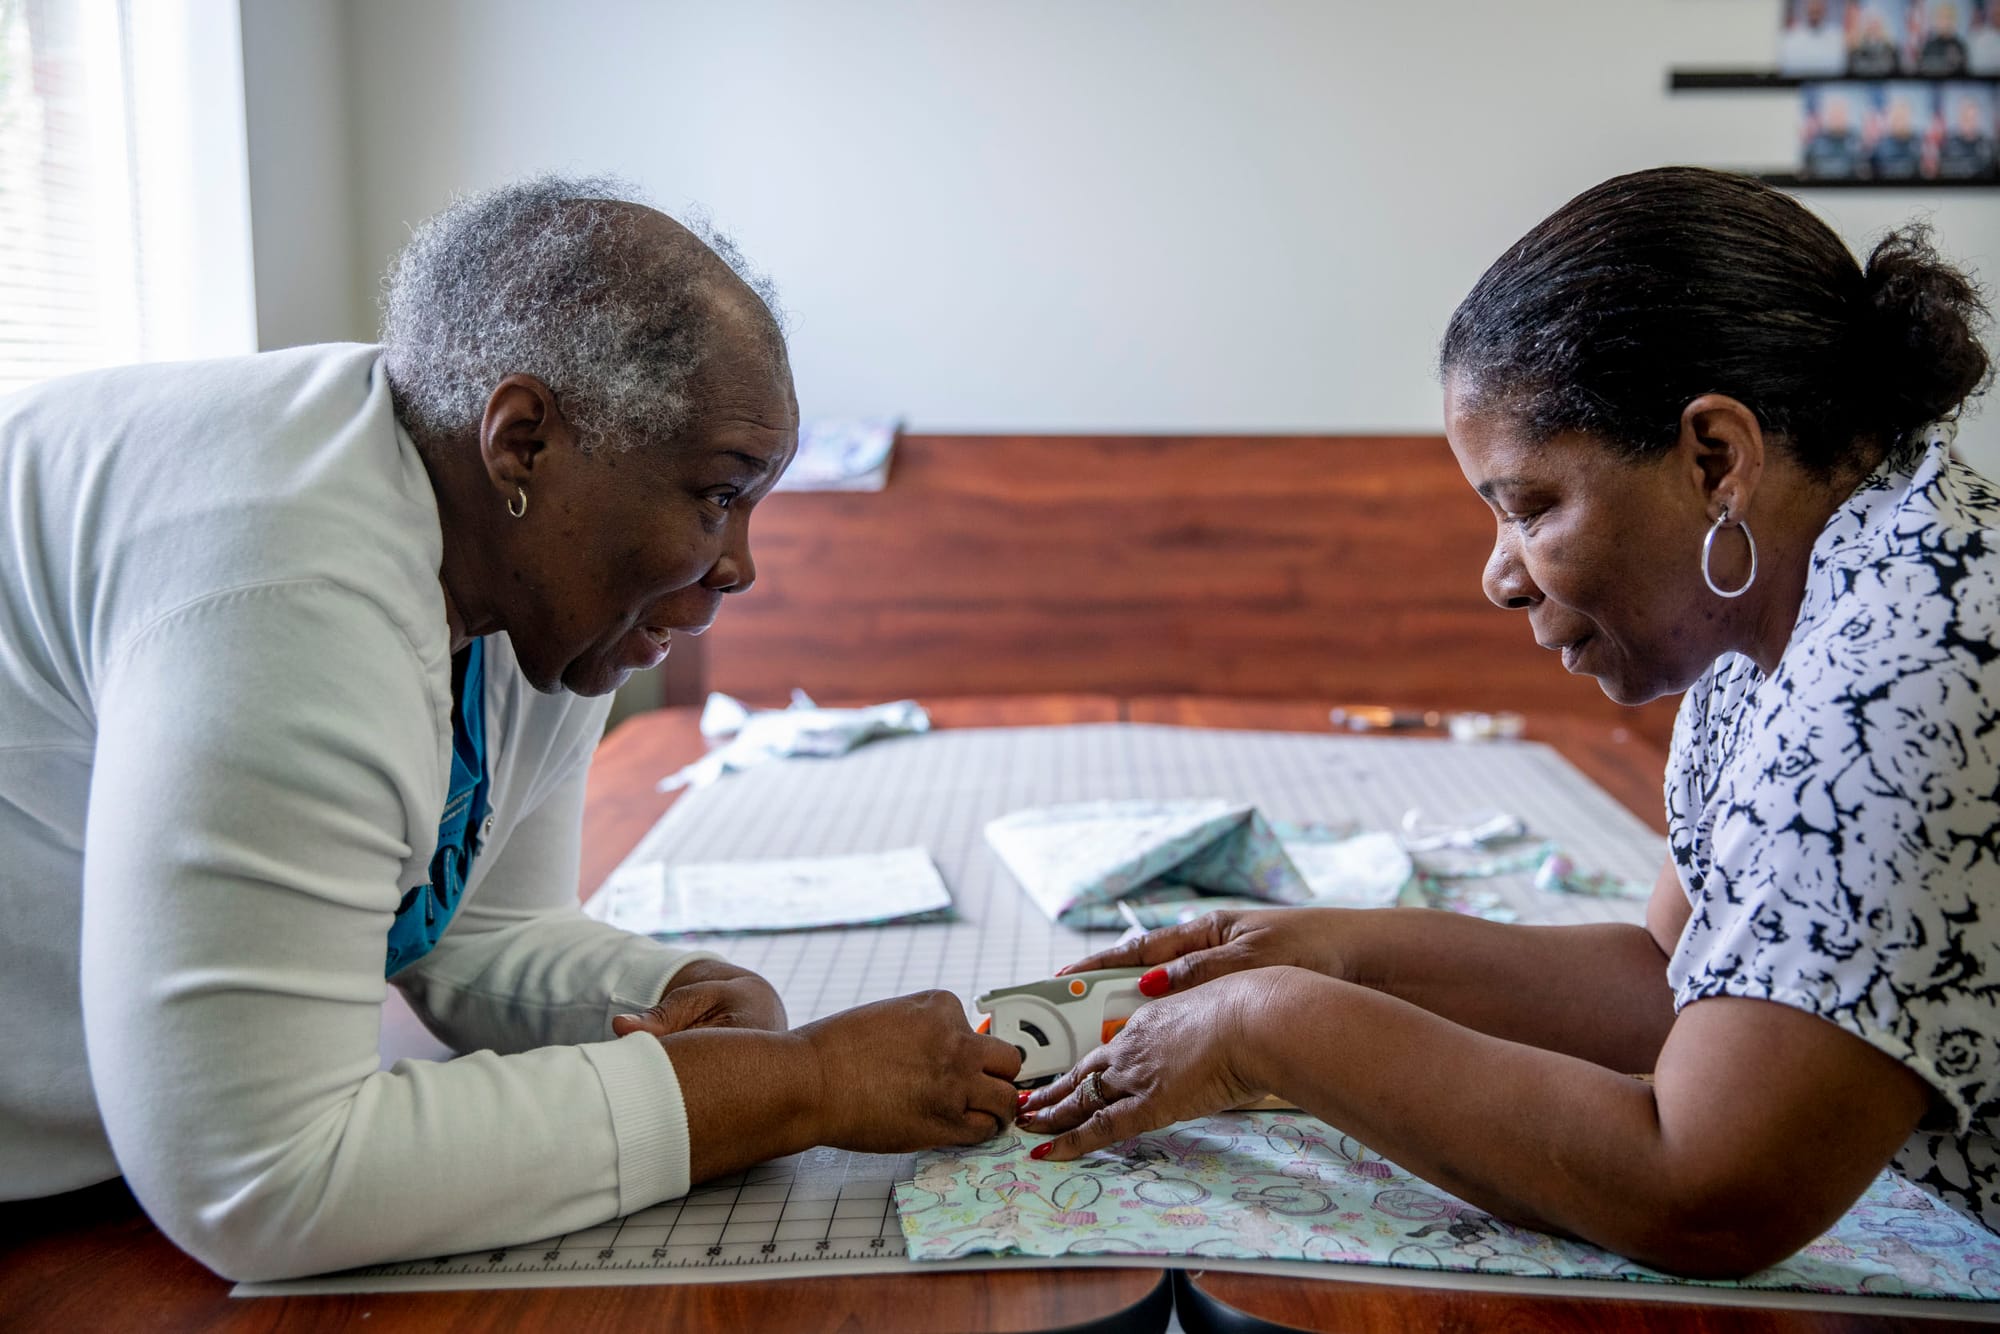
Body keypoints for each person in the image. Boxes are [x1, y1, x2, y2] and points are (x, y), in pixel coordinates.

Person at [0, 176, 1020, 1282]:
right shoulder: (285, 592)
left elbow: (474, 933)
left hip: (111, 1172)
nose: (740, 566)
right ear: (524, 440)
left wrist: (663, 995)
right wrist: (795, 1082)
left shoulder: (517, 575)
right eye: (716, 494)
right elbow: (261, 1171)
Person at [1022, 167, 1998, 1279]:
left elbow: (1705, 1185)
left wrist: (1273, 1026)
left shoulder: (1907, 662)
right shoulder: (1800, 602)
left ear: (1714, 458)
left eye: (1528, 506)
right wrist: (1342, 951)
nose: (1499, 576)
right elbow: (1672, 977)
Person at [1778, 0, 1850, 75]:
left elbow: (1837, 68)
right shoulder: (1791, 37)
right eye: (1812, 3)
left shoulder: (1837, 36)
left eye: (1818, 4)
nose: (1815, 8)